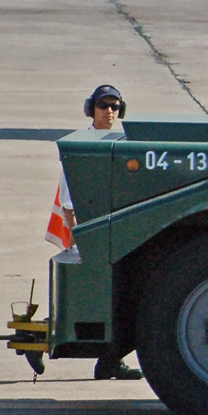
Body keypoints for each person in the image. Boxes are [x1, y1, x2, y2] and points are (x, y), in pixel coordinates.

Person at [55, 84, 143, 381]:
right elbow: (69, 203)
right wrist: (82, 242)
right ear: (90, 109)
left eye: (115, 106)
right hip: (94, 237)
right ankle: (107, 362)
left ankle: (110, 362)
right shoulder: (82, 146)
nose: (110, 112)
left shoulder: (123, 141)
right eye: (104, 106)